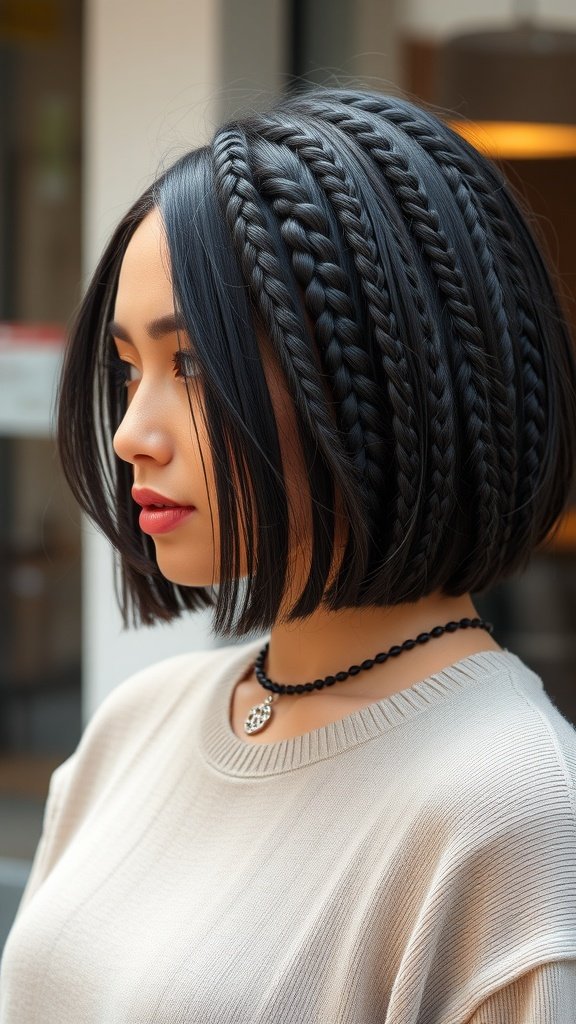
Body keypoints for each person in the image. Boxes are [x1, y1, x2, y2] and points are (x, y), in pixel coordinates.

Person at [1, 86, 576, 1023]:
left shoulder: (513, 812)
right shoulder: (137, 726)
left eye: (189, 364)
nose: (130, 435)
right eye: (125, 368)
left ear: (376, 374)